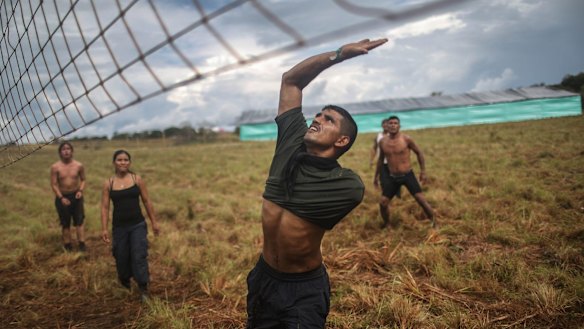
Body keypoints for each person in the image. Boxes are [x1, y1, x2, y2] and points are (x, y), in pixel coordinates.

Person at [246, 38, 388, 328]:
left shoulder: (347, 185)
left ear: (342, 140)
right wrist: (338, 54)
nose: (317, 118)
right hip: (264, 277)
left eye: (329, 120)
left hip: (302, 290)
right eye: (319, 114)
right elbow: (291, 82)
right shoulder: (290, 142)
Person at [100, 150, 160, 301]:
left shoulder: (136, 179)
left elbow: (147, 201)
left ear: (130, 162)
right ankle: (125, 281)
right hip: (119, 227)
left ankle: (143, 287)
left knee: (139, 254)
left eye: (126, 160)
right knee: (121, 256)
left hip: (137, 225)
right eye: (119, 160)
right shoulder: (109, 183)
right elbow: (105, 207)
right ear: (114, 162)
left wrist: (154, 222)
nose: (123, 162)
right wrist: (104, 228)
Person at [374, 116, 437, 228]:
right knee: (383, 203)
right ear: (386, 126)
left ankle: (434, 223)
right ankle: (387, 224)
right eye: (391, 123)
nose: (393, 125)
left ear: (399, 126)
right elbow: (380, 160)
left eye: (395, 123)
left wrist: (423, 171)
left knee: (421, 200)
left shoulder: (406, 139)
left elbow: (419, 153)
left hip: (407, 175)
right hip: (392, 177)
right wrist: (376, 177)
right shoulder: (382, 142)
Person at [50, 141, 87, 252]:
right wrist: (61, 198)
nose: (66, 151)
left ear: (72, 151)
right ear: (60, 152)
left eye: (68, 149)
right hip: (62, 198)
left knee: (79, 221)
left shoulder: (79, 165)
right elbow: (54, 184)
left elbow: (83, 179)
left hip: (76, 196)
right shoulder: (55, 167)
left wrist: (80, 190)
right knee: (65, 223)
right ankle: (67, 245)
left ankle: (81, 244)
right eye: (63, 149)